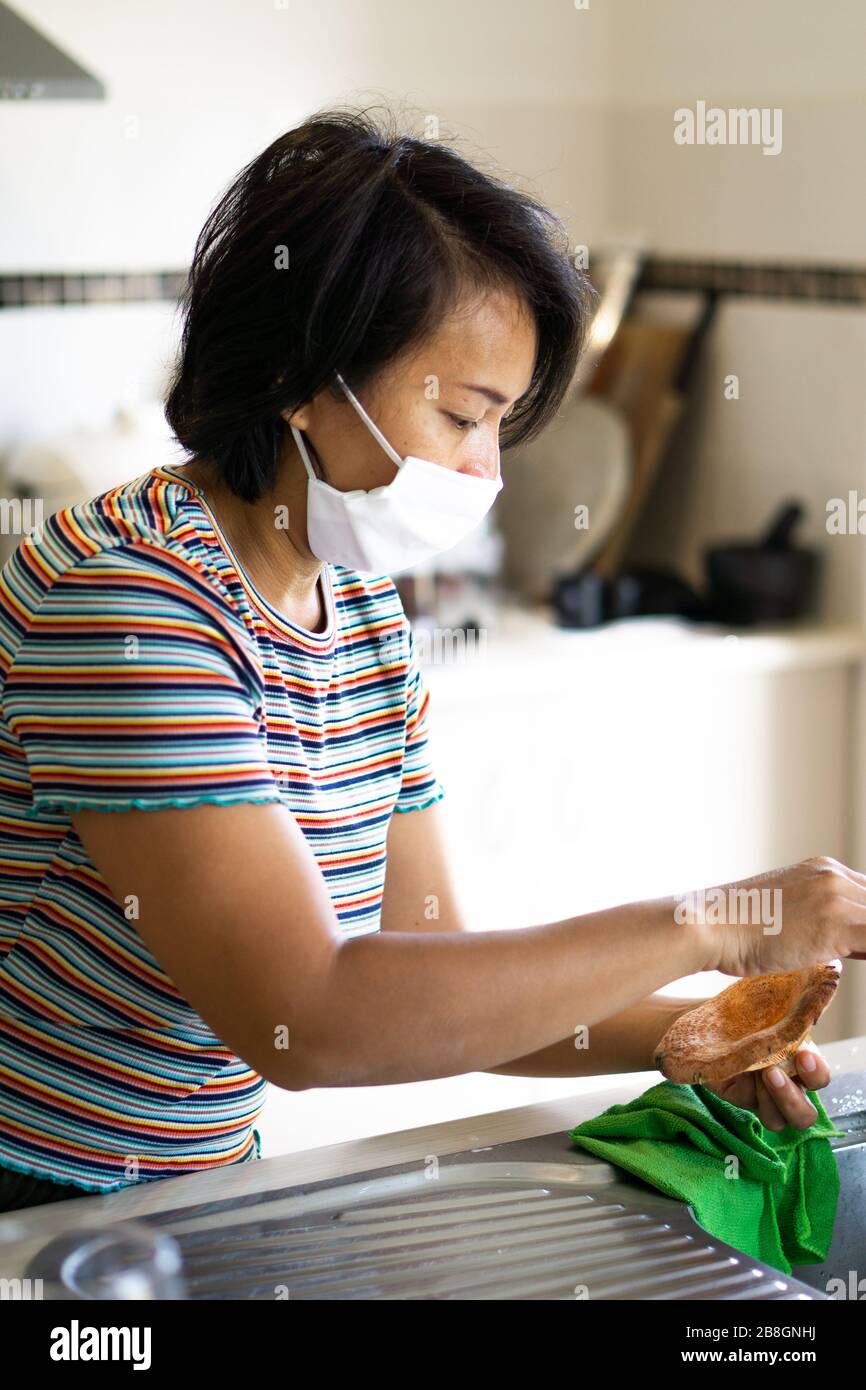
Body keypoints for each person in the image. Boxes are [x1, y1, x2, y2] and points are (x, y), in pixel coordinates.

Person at [0, 108, 860, 1212]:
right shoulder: (125, 603)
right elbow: (314, 1016)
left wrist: (693, 1035)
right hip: (33, 1203)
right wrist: (718, 919)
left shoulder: (350, 597)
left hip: (174, 1193)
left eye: (501, 424)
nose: (483, 469)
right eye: (462, 413)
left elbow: (429, 973)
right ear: (301, 376)